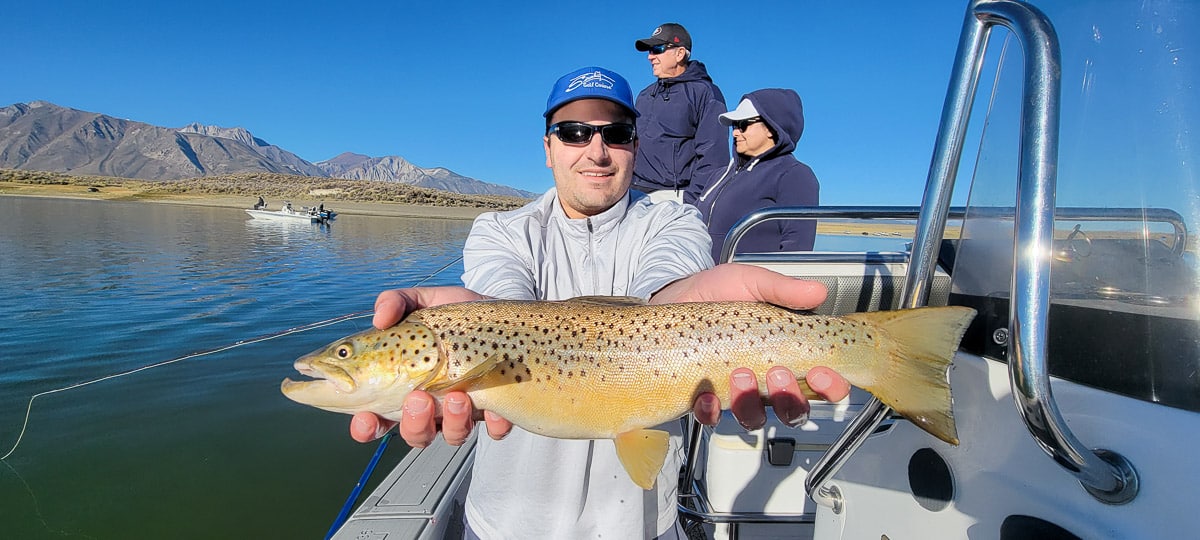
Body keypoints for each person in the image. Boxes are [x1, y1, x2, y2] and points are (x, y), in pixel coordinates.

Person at [348, 66, 849, 539]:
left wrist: (669, 307)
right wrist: (476, 323)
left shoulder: (673, 222)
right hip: (506, 524)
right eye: (573, 133)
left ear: (635, 145)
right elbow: (505, 302)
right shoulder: (498, 230)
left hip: (641, 525)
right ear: (547, 147)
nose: (597, 150)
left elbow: (668, 281)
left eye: (616, 133)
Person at [693, 89, 820, 262]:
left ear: (771, 127)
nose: (735, 132)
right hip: (701, 281)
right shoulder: (719, 175)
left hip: (748, 286)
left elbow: (797, 250)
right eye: (734, 125)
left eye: (743, 124)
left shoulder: (793, 175)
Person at [632, 23, 729, 205]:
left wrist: (690, 200)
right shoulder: (644, 95)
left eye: (657, 49)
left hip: (672, 199)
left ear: (680, 53)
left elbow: (714, 158)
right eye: (649, 51)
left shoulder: (705, 93)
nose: (650, 57)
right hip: (633, 195)